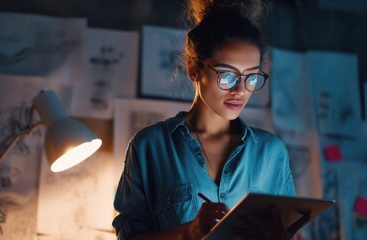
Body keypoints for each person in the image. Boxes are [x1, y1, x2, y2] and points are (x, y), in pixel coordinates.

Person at [112, 0, 309, 239]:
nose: (240, 90)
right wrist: (189, 232)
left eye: (252, 78)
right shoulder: (149, 146)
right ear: (193, 68)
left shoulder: (271, 153)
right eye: (227, 75)